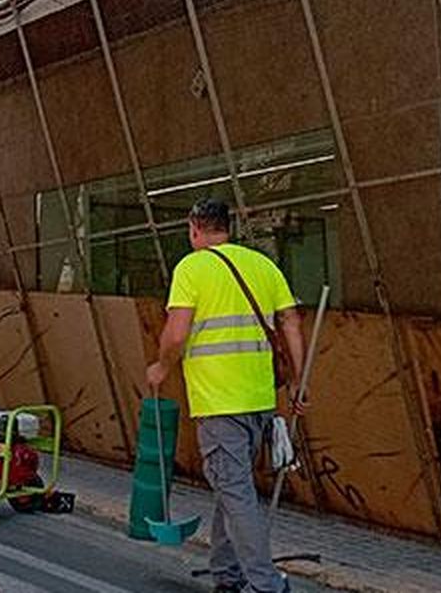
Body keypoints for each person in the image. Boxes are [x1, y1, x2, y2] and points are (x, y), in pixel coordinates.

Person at [146, 199, 307, 593]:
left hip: (218, 403)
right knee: (230, 487)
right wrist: (300, 381)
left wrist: (162, 367)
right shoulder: (262, 265)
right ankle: (226, 573)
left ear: (194, 229)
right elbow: (291, 323)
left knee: (235, 492)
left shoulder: (192, 267)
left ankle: (266, 584)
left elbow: (178, 332)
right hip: (259, 401)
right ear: (226, 227)